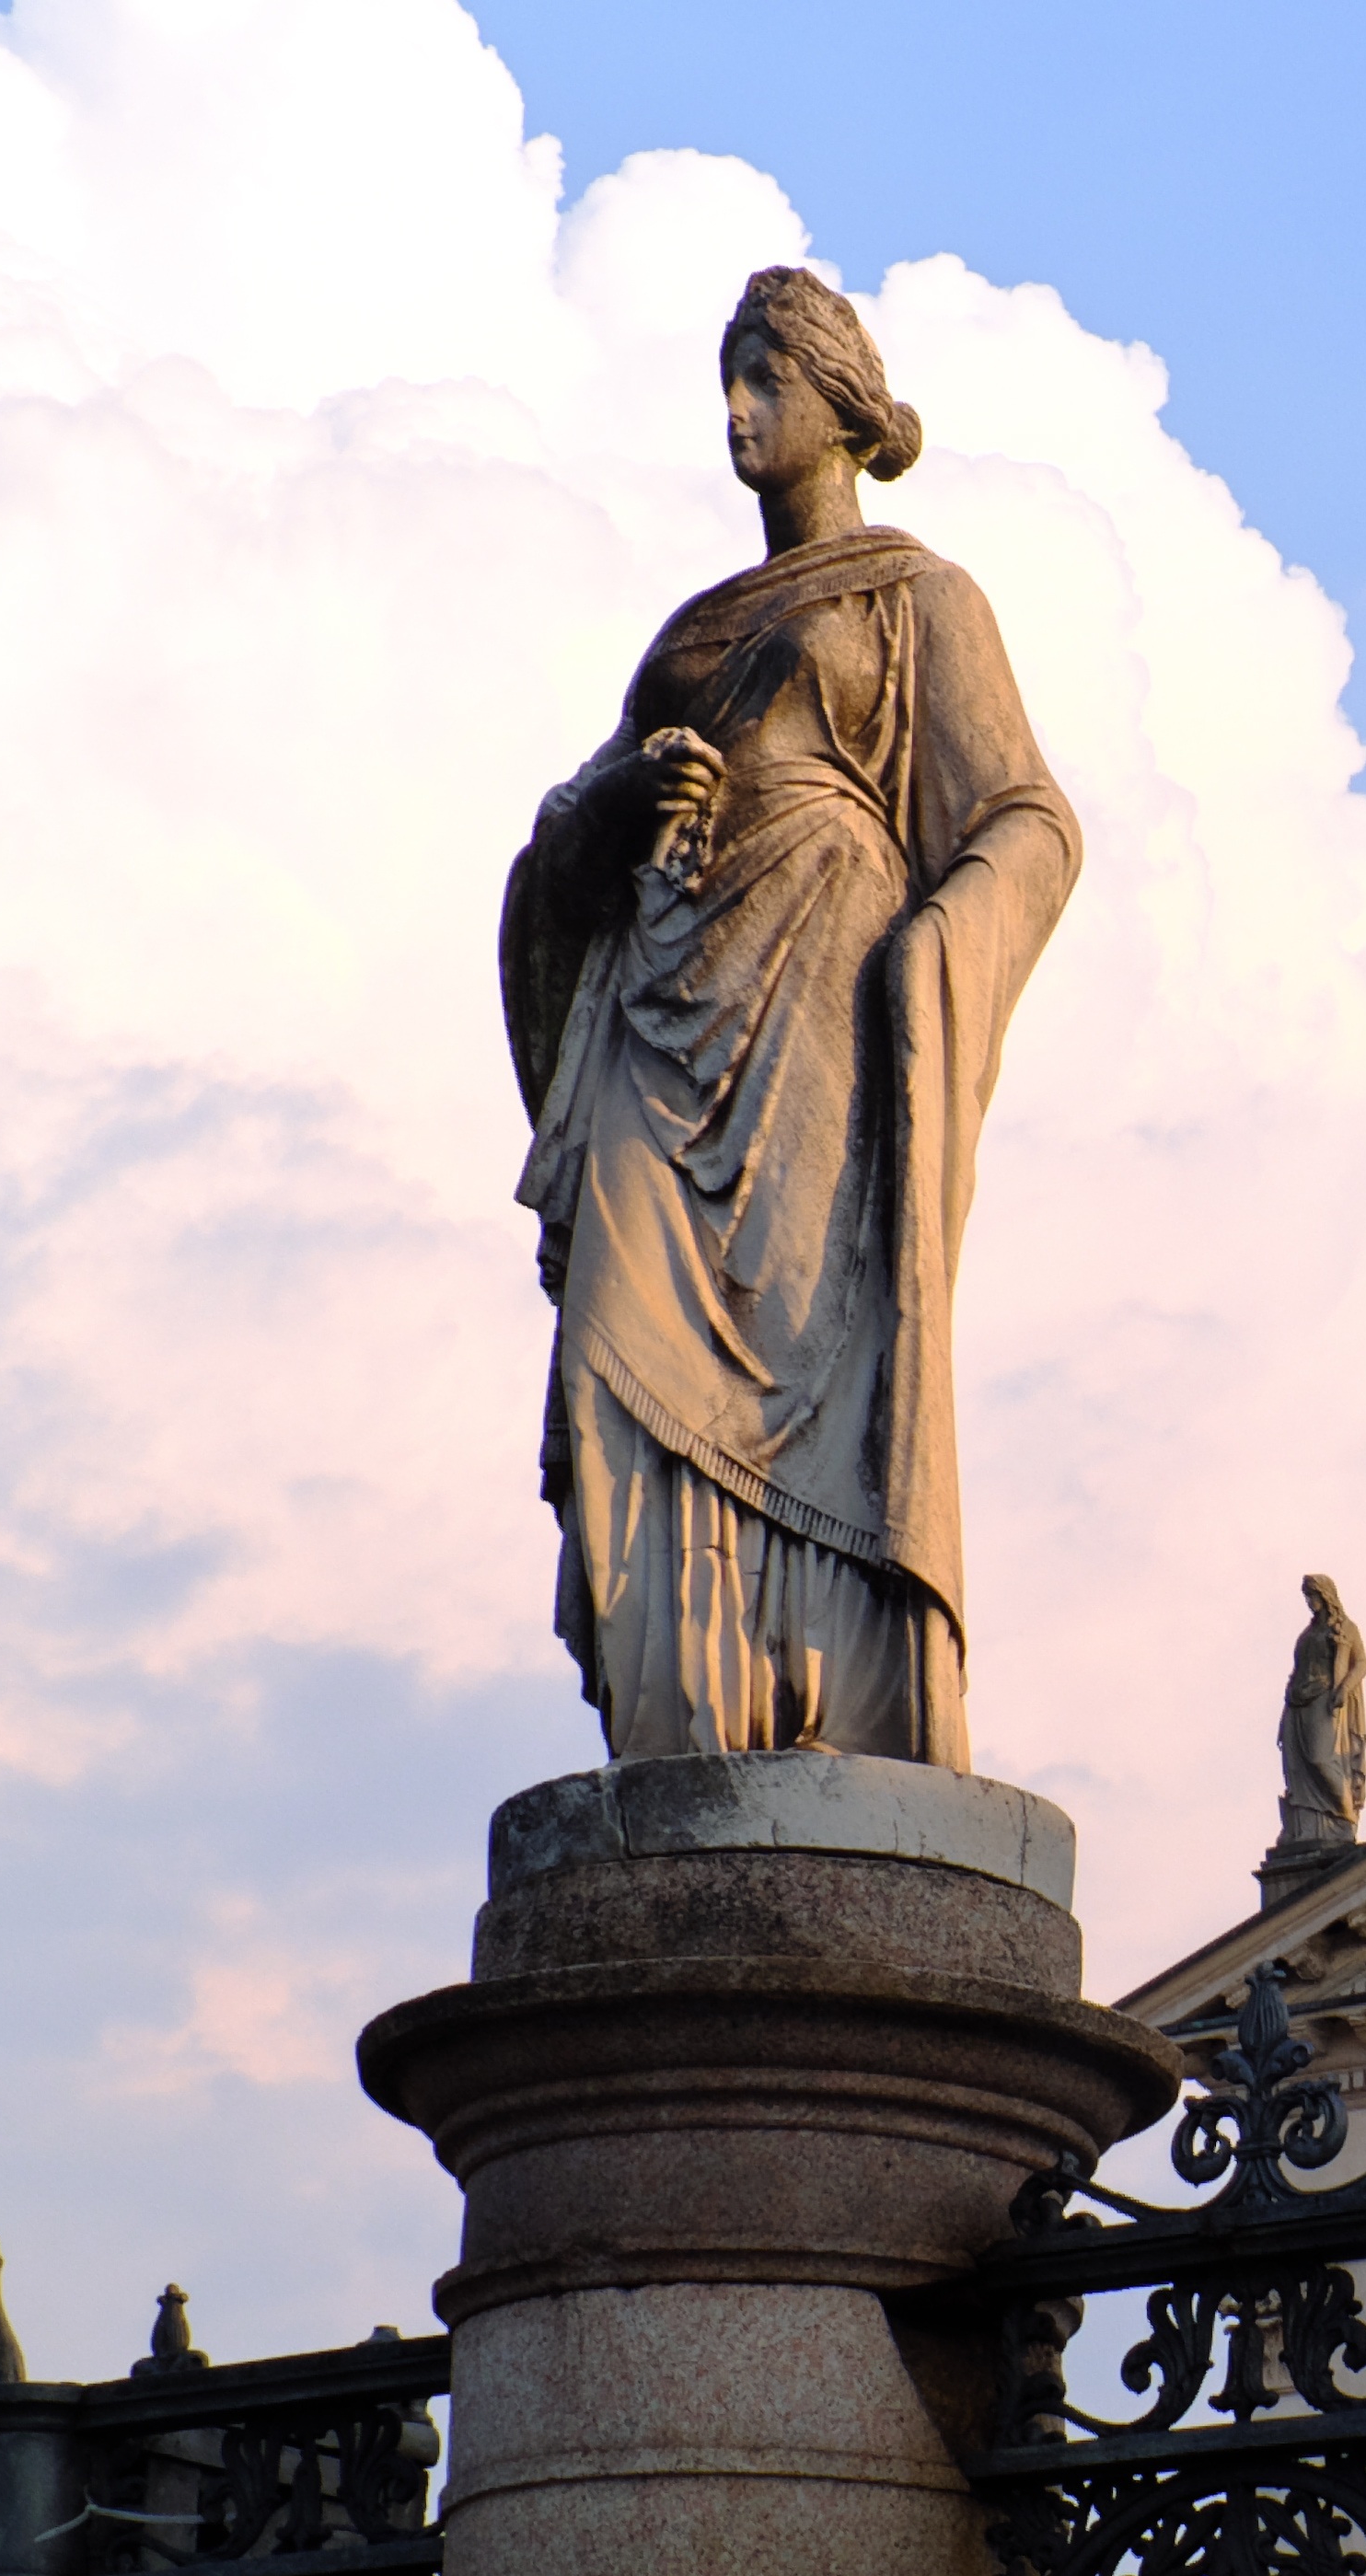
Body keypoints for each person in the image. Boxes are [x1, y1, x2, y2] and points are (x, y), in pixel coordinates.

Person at [501, 267, 1080, 1765]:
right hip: (659, 1024)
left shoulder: (921, 604)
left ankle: (826, 1709)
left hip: (821, 1036)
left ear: (836, 401)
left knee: (827, 1367)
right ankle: (678, 1738)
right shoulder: (690, 636)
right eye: (729, 386)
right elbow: (564, 831)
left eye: (764, 381)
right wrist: (612, 812)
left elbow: (1025, 818)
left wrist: (933, 954)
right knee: (608, 1368)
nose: (739, 414)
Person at [1278, 1575, 1366, 1848]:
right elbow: (1296, 1672)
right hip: (1297, 1704)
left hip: (1325, 1699)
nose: (1309, 1601)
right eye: (1306, 1596)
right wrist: (1284, 1718)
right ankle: (1306, 1827)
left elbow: (1362, 1664)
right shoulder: (1306, 1635)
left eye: (1313, 1595)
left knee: (1321, 1759)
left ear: (1327, 1595)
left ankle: (1344, 1817)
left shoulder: (1345, 1628)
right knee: (1297, 1767)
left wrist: (1344, 1689)